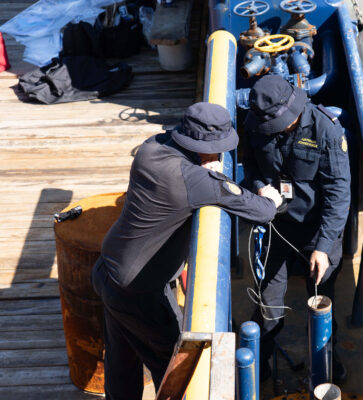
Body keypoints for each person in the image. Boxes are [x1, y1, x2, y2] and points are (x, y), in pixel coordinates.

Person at [91, 102, 282, 400]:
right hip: (138, 292)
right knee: (174, 370)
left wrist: (203, 168)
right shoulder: (195, 180)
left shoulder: (150, 148)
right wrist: (270, 198)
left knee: (122, 360)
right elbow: (261, 211)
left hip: (107, 269)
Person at [243, 75, 351, 382]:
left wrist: (325, 246)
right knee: (267, 303)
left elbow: (338, 192)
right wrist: (261, 187)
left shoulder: (326, 130)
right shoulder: (253, 122)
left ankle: (328, 366)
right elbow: (249, 162)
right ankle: (257, 366)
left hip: (318, 232)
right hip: (276, 227)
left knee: (320, 305)